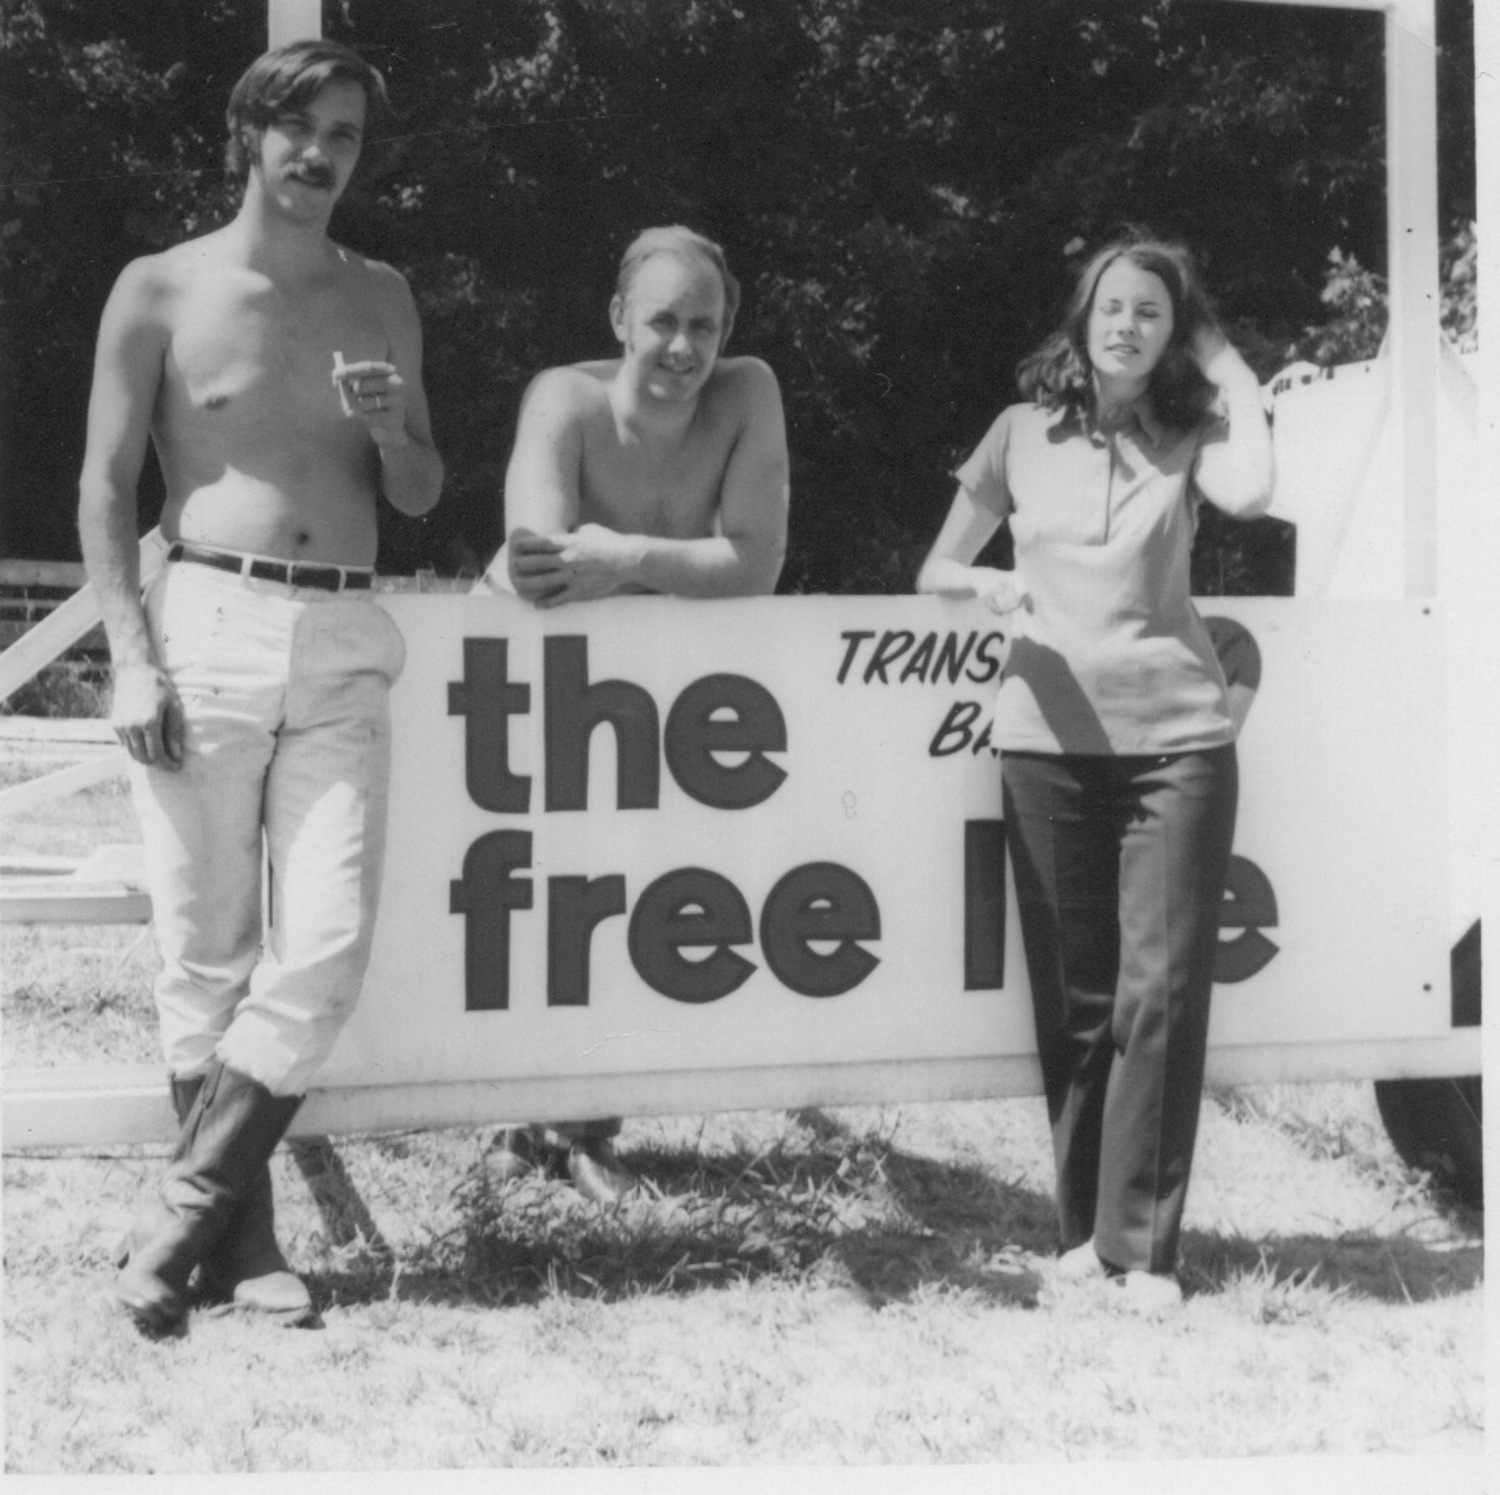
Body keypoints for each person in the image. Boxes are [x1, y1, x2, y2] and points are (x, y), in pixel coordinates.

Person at [78, 39, 443, 1336]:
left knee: (327, 945)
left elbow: (418, 492)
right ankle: (245, 1246)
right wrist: (130, 651)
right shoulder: (161, 287)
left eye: (343, 136)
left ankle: (177, 1212)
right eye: (299, 130)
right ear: (249, 131)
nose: (320, 156)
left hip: (343, 638)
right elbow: (106, 487)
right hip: (207, 627)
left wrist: (399, 424)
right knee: (207, 956)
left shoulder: (383, 294)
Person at [918, 234, 1273, 1310]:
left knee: (1159, 997)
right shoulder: (1019, 433)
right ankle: (1087, 1240)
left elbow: (1252, 492)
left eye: (1154, 314)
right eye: (1112, 306)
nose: (1127, 325)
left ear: (1175, 338)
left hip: (1179, 744)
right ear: (1083, 318)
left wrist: (1230, 366)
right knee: (1076, 1006)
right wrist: (981, 592)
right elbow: (938, 562)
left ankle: (1143, 1254)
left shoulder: (1193, 427)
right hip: (1042, 744)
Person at [476, 224, 790, 1201]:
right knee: (534, 894)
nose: (684, 348)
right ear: (619, 318)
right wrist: (660, 566)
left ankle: (584, 1126)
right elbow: (540, 567)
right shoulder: (560, 399)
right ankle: (525, 1119)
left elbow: (756, 566)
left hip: (654, 686)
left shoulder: (750, 393)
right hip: (530, 675)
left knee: (636, 901)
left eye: (705, 324)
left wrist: (627, 558)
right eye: (662, 322)